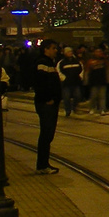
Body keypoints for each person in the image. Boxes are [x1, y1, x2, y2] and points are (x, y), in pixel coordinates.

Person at [32, 40, 62, 174]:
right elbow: (41, 83)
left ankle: (44, 164)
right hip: (46, 104)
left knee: (48, 134)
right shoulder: (42, 63)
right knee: (46, 133)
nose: (56, 50)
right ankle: (42, 165)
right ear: (46, 49)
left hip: (50, 103)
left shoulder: (50, 63)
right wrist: (48, 99)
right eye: (53, 48)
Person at [58, 47, 84, 116]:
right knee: (66, 97)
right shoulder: (62, 62)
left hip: (76, 82)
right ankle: (67, 110)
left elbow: (82, 69)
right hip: (66, 83)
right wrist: (63, 78)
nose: (70, 53)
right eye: (68, 52)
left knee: (78, 96)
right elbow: (59, 71)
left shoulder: (77, 61)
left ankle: (74, 107)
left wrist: (80, 76)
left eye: (71, 52)